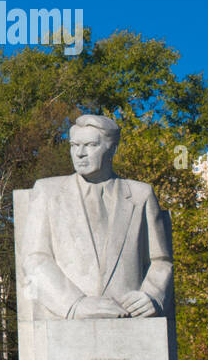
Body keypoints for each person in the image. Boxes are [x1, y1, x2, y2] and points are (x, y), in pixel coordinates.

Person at [22, 114, 171, 320]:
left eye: (90, 145)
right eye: (74, 145)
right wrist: (75, 305)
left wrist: (153, 295)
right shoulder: (48, 191)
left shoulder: (140, 195)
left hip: (131, 321)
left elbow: (160, 259)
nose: (80, 153)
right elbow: (35, 258)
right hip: (66, 323)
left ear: (112, 148)